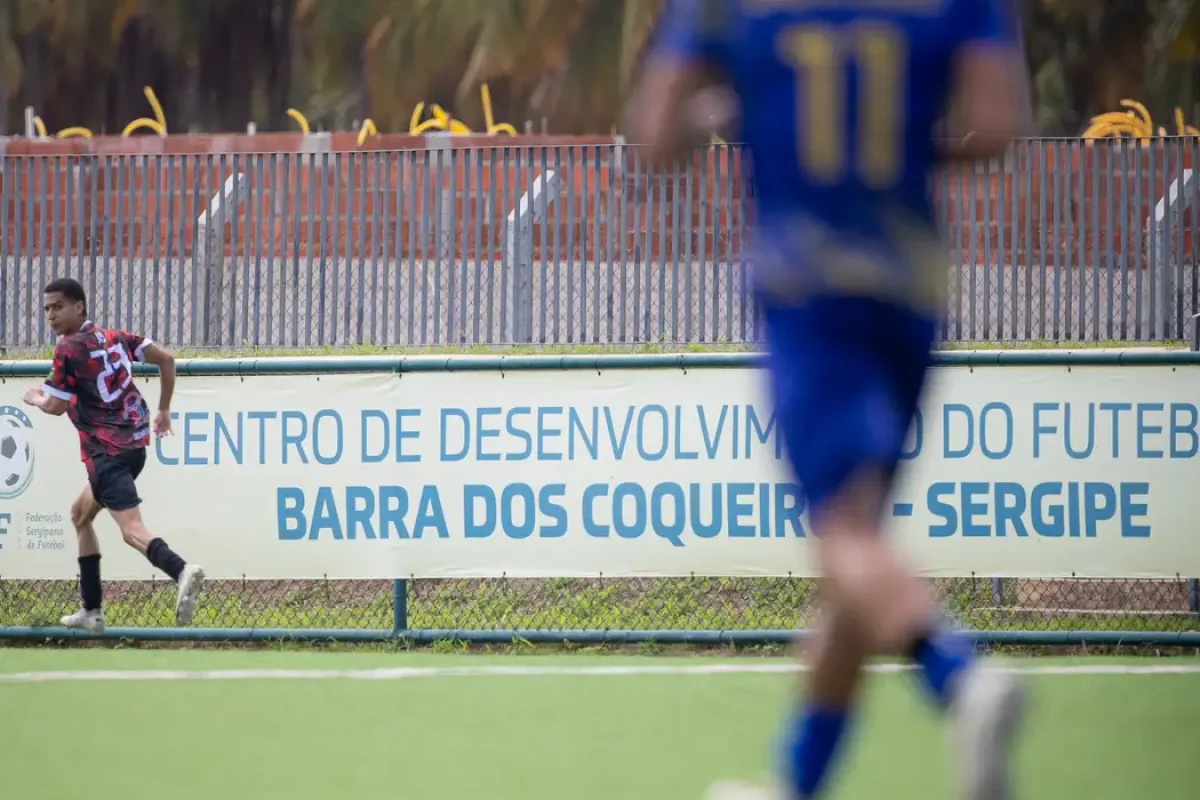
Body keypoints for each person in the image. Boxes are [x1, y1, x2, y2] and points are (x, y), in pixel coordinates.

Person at [624, 1, 1032, 799]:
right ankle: (797, 783)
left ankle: (960, 678)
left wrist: (734, 114)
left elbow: (653, 139)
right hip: (911, 291)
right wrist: (898, 156)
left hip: (808, 289)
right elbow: (996, 129)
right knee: (857, 549)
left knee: (844, 535)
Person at [23, 277, 205, 635]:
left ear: (80, 307)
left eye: (58, 307)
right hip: (134, 448)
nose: (51, 315)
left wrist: (34, 398)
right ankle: (91, 610)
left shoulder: (67, 350)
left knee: (131, 531)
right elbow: (167, 360)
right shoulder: (115, 338)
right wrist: (163, 409)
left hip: (107, 453)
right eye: (46, 309)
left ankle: (181, 570)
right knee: (80, 514)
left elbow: (56, 407)